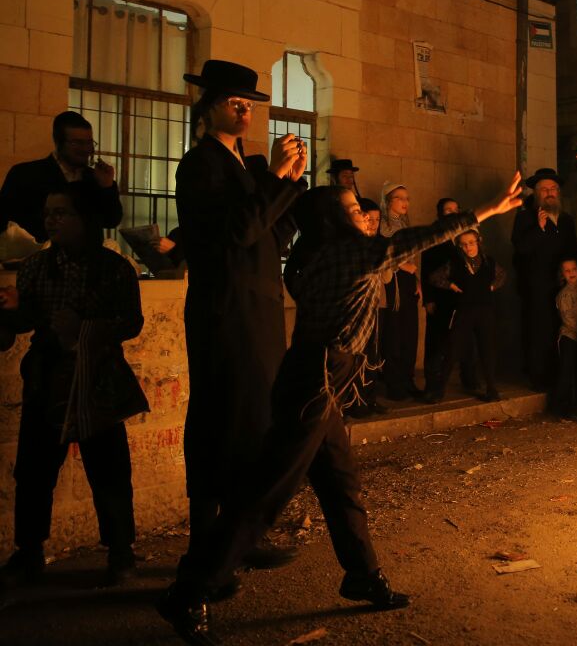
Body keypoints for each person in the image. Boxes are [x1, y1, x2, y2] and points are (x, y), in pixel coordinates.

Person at [157, 175, 523, 644]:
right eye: (354, 211)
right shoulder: (349, 253)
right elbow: (417, 239)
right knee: (268, 490)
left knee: (340, 483)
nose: (365, 218)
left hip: (318, 379)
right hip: (315, 381)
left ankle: (363, 575)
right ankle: (190, 591)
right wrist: (486, 209)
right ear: (333, 220)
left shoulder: (314, 254)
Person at [175, 59, 307, 578]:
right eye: (234, 103)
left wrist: (290, 183)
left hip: (259, 307)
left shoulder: (246, 167)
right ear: (209, 108)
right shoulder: (200, 165)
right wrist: (272, 177)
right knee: (220, 419)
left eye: (249, 104)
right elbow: (236, 234)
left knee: (255, 421)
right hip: (224, 309)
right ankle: (204, 550)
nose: (245, 112)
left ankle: (239, 535)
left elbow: (271, 236)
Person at [0, 185, 147, 588]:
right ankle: (29, 551)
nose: (51, 220)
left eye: (62, 213)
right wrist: (11, 310)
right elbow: (26, 322)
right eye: (48, 212)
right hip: (47, 378)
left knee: (109, 471)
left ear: (86, 219)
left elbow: (131, 323)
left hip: (97, 379)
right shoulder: (35, 267)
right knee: (34, 471)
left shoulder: (114, 269)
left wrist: (85, 330)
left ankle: (120, 551)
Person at [0, 110, 123, 243]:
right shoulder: (25, 174)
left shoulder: (94, 177)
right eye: (77, 143)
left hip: (89, 256)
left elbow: (111, 220)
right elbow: (4, 221)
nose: (86, 149)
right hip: (37, 253)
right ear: (58, 143)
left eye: (89, 143)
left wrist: (107, 186)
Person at [511, 168, 577, 391]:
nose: (549, 193)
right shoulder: (525, 218)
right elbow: (520, 249)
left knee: (562, 330)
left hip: (563, 286)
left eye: (553, 189)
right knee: (538, 331)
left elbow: (573, 251)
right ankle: (538, 377)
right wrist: (539, 229)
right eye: (544, 189)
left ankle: (560, 375)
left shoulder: (566, 220)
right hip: (537, 288)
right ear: (536, 193)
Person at [426, 228, 505, 403]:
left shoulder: (489, 262)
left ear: (478, 242)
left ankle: (492, 389)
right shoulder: (454, 263)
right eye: (463, 244)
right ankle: (439, 391)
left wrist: (491, 287)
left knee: (487, 349)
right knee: (453, 349)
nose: (468, 247)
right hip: (464, 311)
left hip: (485, 311)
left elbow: (502, 275)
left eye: (471, 243)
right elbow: (434, 277)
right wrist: (451, 286)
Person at [377, 183, 421, 401]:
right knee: (394, 333)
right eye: (400, 198)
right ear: (388, 201)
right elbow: (381, 252)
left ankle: (407, 379)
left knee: (410, 332)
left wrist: (416, 279)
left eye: (407, 198)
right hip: (392, 281)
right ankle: (394, 383)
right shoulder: (382, 226)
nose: (405, 202)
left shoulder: (404, 224)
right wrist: (403, 266)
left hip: (407, 281)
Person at [347, 198, 388, 420]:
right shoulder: (351, 245)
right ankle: (355, 401)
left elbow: (387, 277)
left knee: (373, 353)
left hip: (375, 305)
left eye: (377, 220)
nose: (372, 224)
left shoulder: (380, 244)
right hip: (356, 309)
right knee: (356, 355)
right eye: (368, 219)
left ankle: (370, 397)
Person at [420, 198, 461, 403]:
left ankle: (462, 381)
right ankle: (431, 385)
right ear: (440, 214)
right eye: (448, 210)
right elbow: (426, 269)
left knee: (455, 342)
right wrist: (428, 299)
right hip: (439, 297)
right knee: (435, 342)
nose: (453, 212)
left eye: (455, 209)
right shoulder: (433, 236)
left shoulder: (464, 234)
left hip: (460, 298)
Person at [553, 258, 577, 417]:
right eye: (567, 271)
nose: (571, 273)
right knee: (566, 373)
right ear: (562, 274)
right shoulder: (564, 294)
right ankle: (560, 408)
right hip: (569, 338)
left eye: (574, 269)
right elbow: (569, 320)